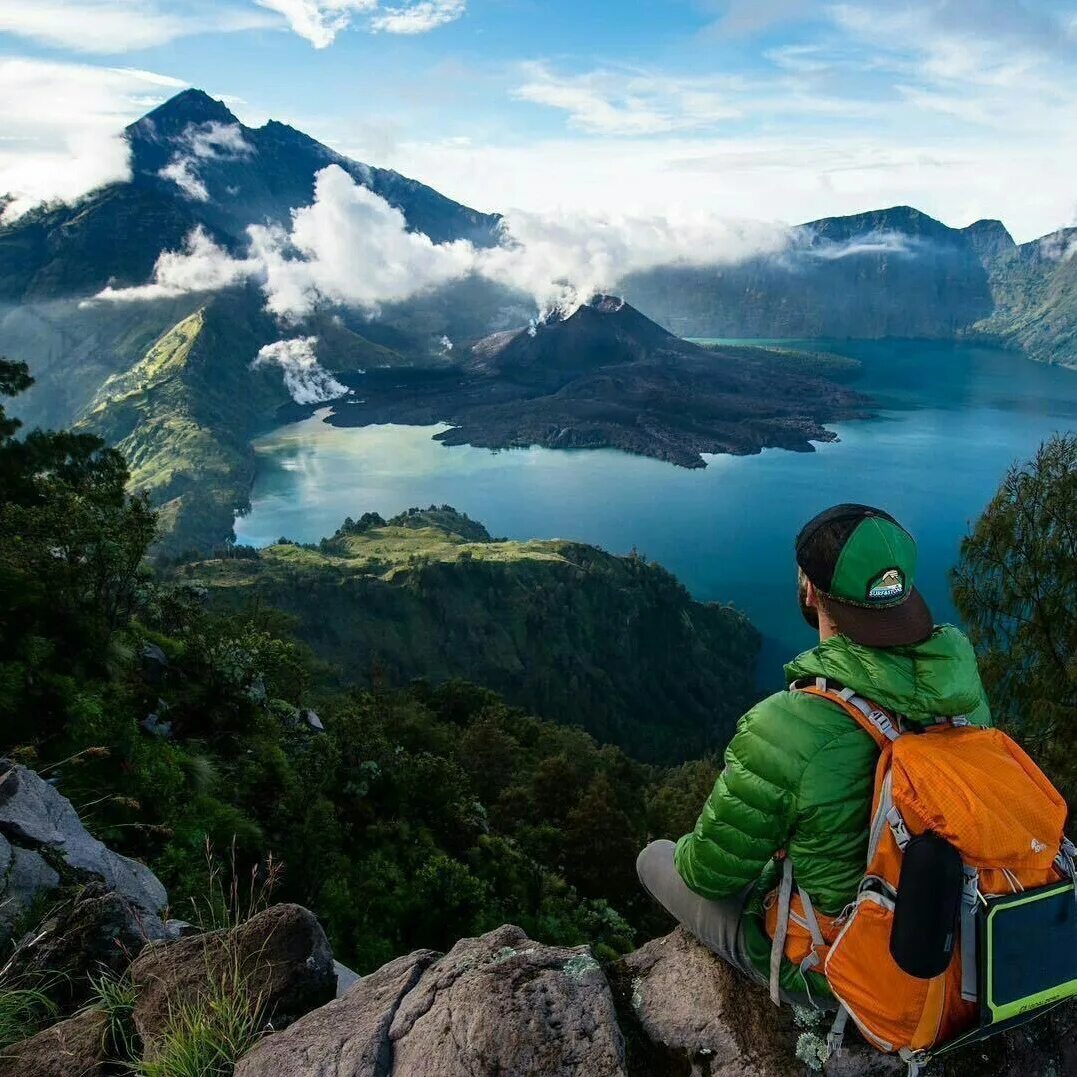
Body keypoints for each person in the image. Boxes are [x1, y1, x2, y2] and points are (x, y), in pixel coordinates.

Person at [636, 503, 991, 1007]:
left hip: (852, 972)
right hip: (968, 953)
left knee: (656, 858)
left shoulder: (785, 726)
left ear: (809, 591)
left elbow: (707, 873)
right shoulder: (962, 688)